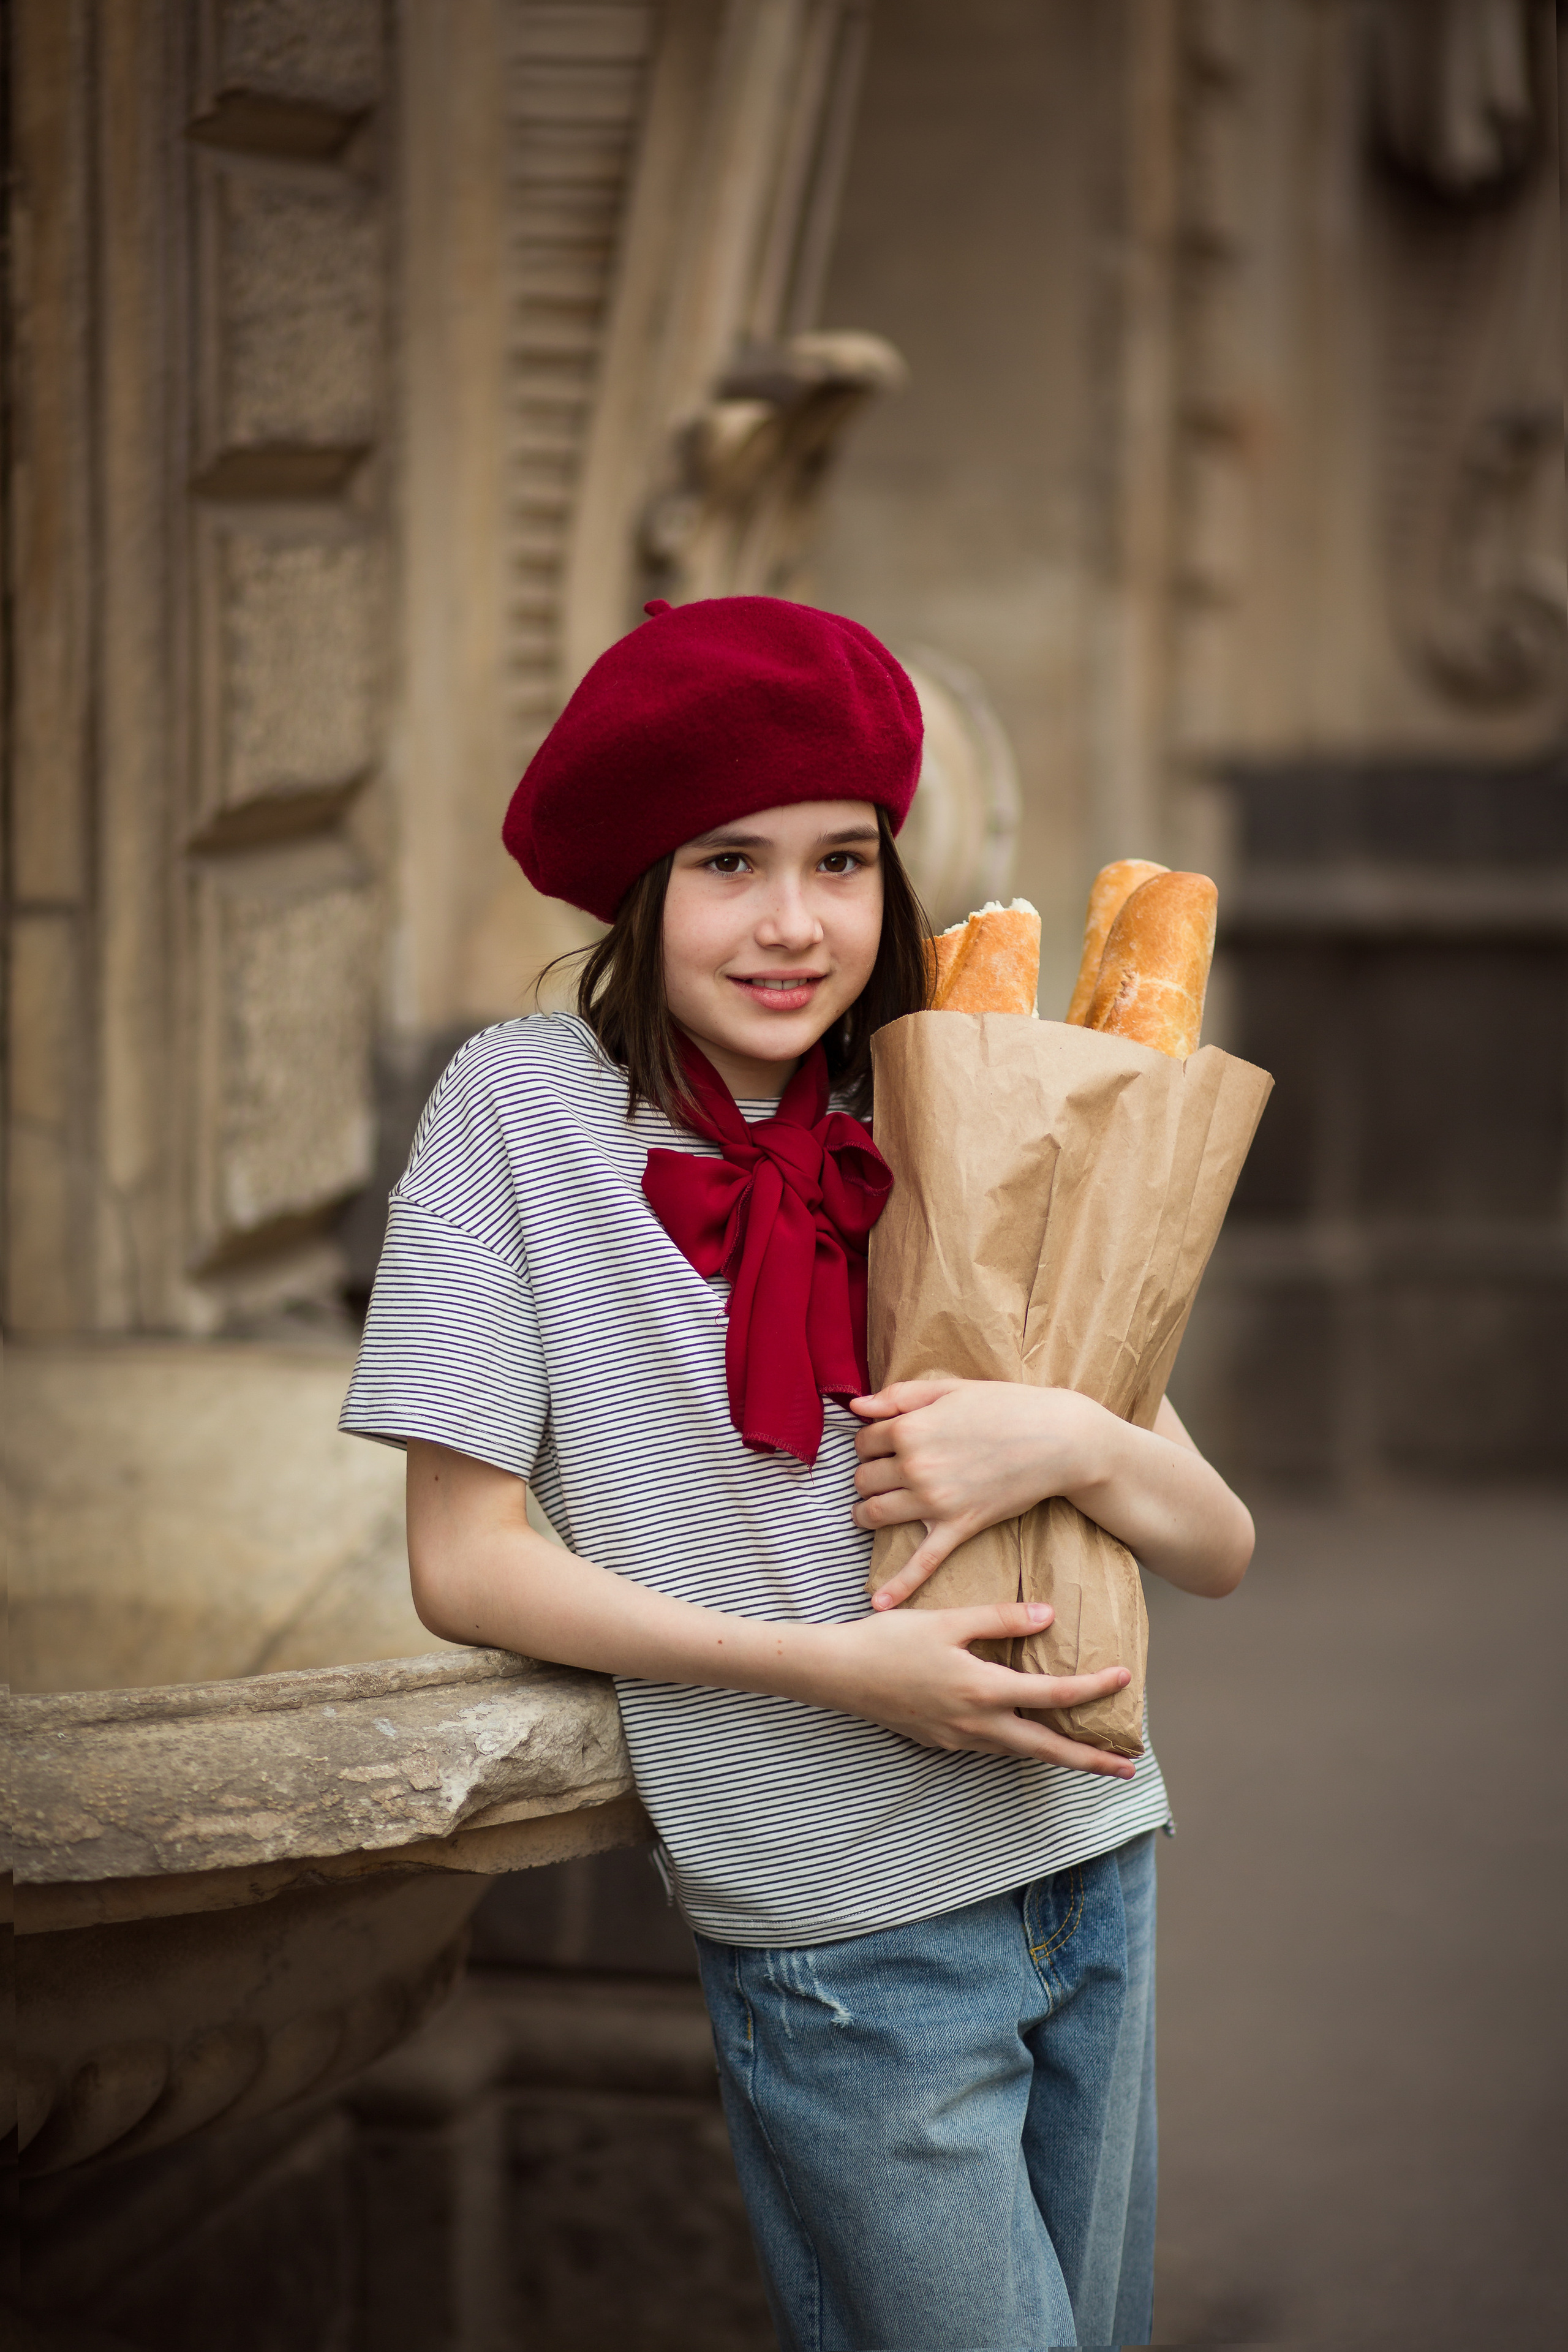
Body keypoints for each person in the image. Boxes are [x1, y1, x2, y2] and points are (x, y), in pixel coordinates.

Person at [340, 595, 1254, 2352]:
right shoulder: (517, 1115)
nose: (794, 923)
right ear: (640, 888)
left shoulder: (953, 1090)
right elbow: (464, 1561)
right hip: (843, 1926)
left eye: (842, 861)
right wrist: (840, 1668)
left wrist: (1071, 1437)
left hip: (1095, 1854)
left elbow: (1214, 1544)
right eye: (728, 863)